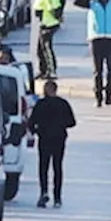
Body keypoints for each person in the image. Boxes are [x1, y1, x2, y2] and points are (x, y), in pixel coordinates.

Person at [27, 80, 76, 208]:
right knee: (57, 167)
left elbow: (31, 122)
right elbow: (72, 122)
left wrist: (37, 131)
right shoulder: (63, 104)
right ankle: (57, 197)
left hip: (44, 139)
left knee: (43, 167)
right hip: (59, 139)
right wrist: (60, 125)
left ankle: (43, 192)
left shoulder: (41, 104)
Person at [32, 0, 62, 79]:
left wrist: (56, 16)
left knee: (47, 48)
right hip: (43, 23)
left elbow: (55, 7)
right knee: (40, 49)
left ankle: (51, 70)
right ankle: (43, 70)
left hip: (49, 24)